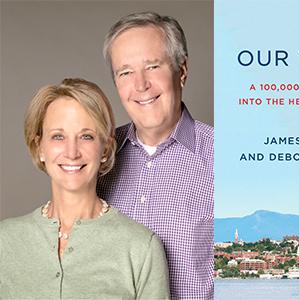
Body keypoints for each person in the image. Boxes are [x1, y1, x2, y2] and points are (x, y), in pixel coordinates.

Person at [0, 78, 170, 299]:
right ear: (40, 147)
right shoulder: (5, 241)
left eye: (86, 136)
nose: (72, 152)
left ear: (105, 150)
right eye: (58, 136)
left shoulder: (141, 248)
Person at [97, 12, 214, 299]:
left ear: (182, 71)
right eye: (125, 72)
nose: (140, 85)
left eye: (152, 66)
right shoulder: (96, 158)